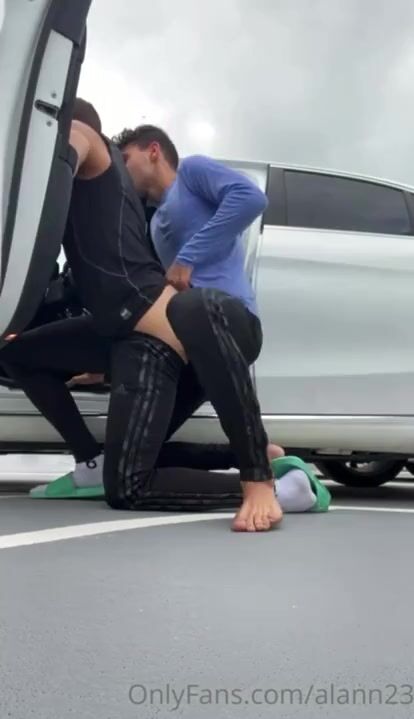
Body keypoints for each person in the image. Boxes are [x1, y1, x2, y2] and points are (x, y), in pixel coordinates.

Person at [0, 100, 283, 532]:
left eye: (127, 155)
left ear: (152, 151)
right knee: (25, 360)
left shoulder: (181, 168)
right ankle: (92, 462)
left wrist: (188, 258)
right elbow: (115, 270)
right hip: (147, 326)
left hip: (211, 319)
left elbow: (250, 198)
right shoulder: (150, 220)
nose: (121, 163)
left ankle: (264, 480)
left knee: (191, 308)